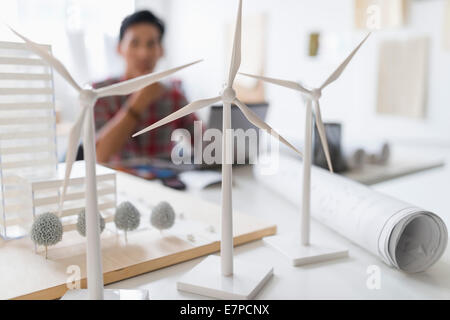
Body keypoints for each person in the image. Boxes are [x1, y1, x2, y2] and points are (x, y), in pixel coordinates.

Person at [93, 10, 199, 165]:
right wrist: (139, 101)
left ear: (161, 51)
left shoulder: (174, 96)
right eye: (134, 43)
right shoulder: (100, 93)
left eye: (151, 44)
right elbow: (100, 155)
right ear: (119, 48)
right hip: (120, 182)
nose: (143, 54)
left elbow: (206, 144)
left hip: (164, 183)